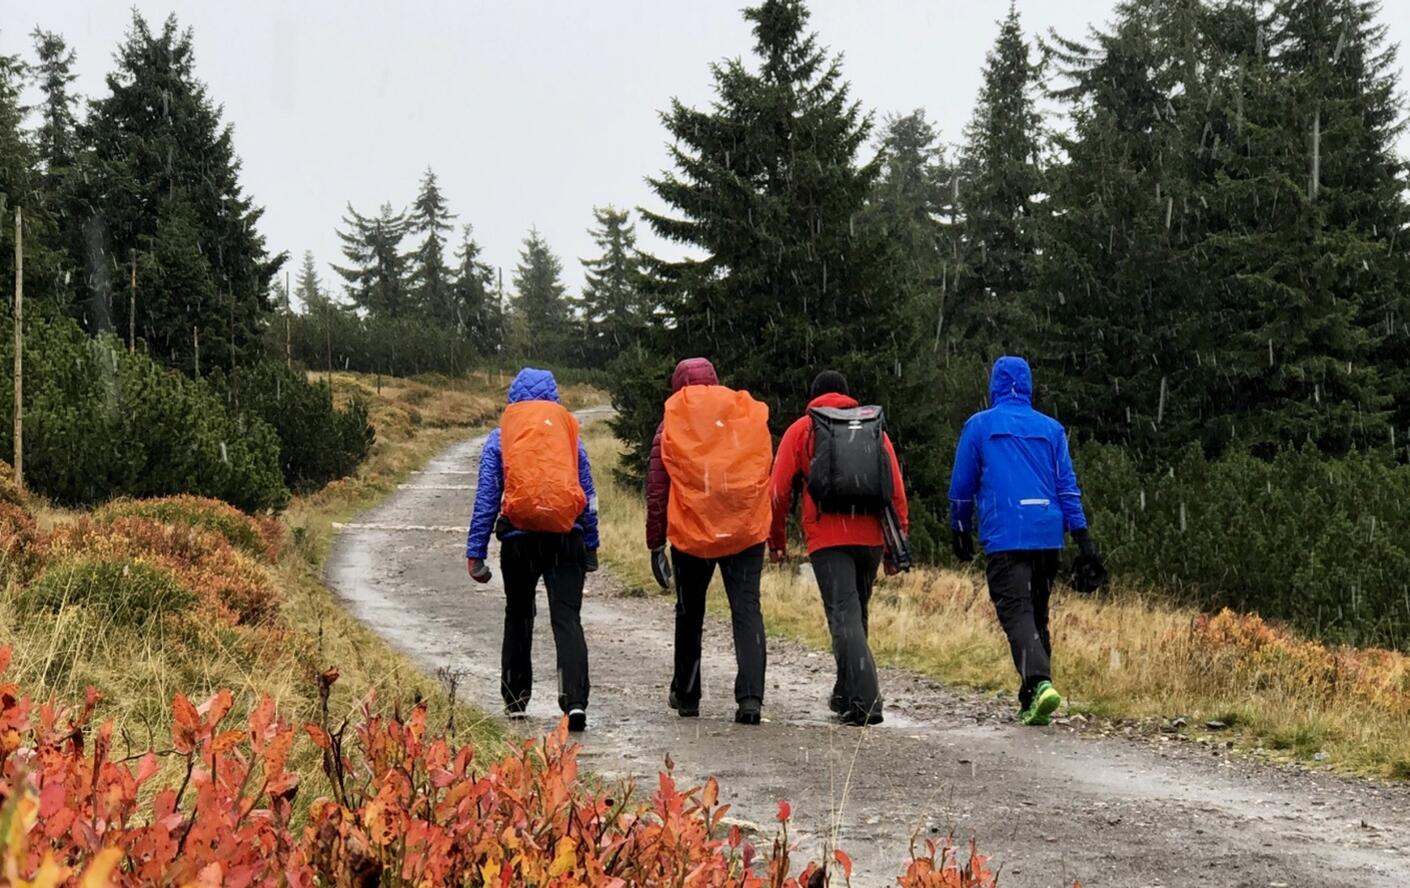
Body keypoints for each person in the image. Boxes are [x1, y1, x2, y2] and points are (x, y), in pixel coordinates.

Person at [947, 356, 1105, 726]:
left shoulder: (980, 426)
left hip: (1006, 534)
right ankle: (1031, 699)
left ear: (994, 385)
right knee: (1037, 614)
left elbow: (961, 486)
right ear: (1030, 385)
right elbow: (1067, 489)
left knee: (1016, 613)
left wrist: (959, 527)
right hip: (1047, 534)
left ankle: (1039, 681)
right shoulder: (1051, 430)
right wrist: (1084, 540)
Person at [768, 370, 909, 726]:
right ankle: (846, 693)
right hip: (871, 538)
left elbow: (778, 492)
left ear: (814, 396)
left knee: (843, 617)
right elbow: (895, 490)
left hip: (829, 539)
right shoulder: (872, 427)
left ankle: (866, 701)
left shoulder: (804, 429)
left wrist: (777, 540)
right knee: (856, 615)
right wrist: (897, 544)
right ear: (847, 396)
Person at [466, 367, 600, 732]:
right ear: (554, 397)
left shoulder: (501, 437)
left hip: (518, 539)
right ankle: (574, 702)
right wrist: (590, 543)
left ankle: (515, 698)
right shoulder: (569, 435)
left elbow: (487, 498)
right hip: (565, 537)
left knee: (519, 614)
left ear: (514, 396)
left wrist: (475, 551)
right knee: (567, 620)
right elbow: (587, 494)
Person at [646, 357, 773, 725]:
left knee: (690, 612)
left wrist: (656, 542)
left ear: (678, 386)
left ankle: (687, 695)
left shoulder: (672, 422)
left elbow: (657, 489)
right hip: (744, 530)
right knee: (746, 609)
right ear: (716, 379)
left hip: (692, 533)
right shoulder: (741, 414)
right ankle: (750, 699)